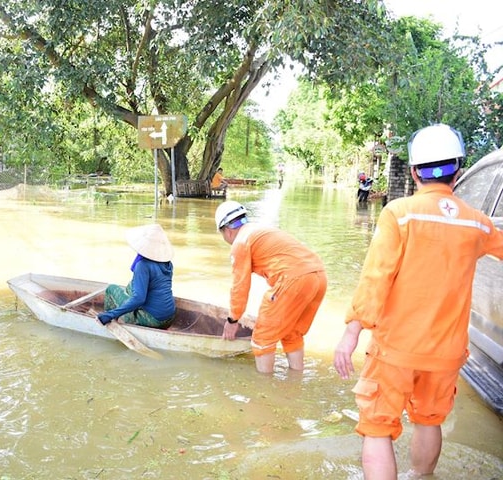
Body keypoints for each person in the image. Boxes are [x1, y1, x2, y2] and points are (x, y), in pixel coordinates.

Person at [333, 124, 503, 479]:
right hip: (446, 352)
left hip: (396, 348)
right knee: (430, 419)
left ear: (413, 172)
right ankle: (422, 476)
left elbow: (375, 277)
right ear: (458, 170)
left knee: (377, 426)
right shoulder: (478, 224)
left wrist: (352, 331)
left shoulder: (401, 213)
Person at [215, 201, 327, 373]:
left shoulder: (240, 242)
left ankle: (265, 392)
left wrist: (232, 320)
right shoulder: (261, 230)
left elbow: (240, 286)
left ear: (227, 231)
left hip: (293, 280)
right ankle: (295, 382)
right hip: (318, 276)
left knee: (262, 337)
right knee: (292, 333)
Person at [96, 223, 176, 329]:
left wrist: (110, 315)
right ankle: (117, 314)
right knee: (130, 287)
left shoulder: (143, 265)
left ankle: (108, 320)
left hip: (153, 320)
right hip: (170, 317)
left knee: (111, 289)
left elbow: (139, 299)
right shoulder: (168, 263)